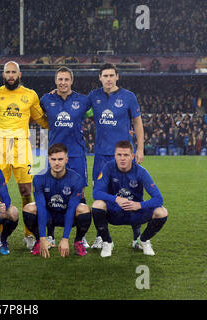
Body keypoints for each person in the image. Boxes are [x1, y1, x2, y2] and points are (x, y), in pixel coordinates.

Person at [0, 61, 48, 250]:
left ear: (19, 74)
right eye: (7, 72)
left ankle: (29, 234)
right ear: (3, 74)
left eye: (14, 72)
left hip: (22, 146)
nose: (11, 75)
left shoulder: (30, 95)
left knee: (26, 190)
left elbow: (41, 118)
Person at [87, 63, 145, 249]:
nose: (109, 79)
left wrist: (140, 148)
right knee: (101, 196)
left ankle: (137, 237)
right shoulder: (93, 96)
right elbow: (76, 105)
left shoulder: (129, 97)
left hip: (124, 156)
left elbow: (137, 123)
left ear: (117, 77)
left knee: (132, 194)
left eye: (112, 75)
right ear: (100, 78)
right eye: (105, 75)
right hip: (101, 156)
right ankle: (101, 237)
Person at [40, 67, 92, 247]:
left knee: (80, 194)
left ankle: (80, 236)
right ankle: (50, 235)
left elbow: (97, 112)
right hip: (54, 154)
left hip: (76, 153)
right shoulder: (46, 99)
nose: (63, 83)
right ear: (55, 81)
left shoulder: (83, 101)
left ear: (72, 81)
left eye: (66, 79)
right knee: (51, 192)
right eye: (60, 79)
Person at [92, 140, 168, 257]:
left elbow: (158, 199)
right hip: (114, 212)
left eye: (126, 155)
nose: (122, 158)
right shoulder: (108, 167)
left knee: (162, 212)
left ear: (132, 156)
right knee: (97, 205)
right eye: (119, 155)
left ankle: (142, 240)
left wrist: (139, 205)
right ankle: (107, 242)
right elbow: (96, 193)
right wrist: (116, 199)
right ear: (115, 156)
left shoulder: (141, 172)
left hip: (135, 213)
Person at [22, 143, 91, 258]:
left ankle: (78, 241)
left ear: (66, 160)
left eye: (60, 159)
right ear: (48, 159)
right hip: (49, 215)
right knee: (29, 208)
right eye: (53, 159)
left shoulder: (76, 179)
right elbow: (41, 207)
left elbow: (71, 209)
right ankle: (39, 241)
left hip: (67, 215)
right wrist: (43, 237)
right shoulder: (39, 177)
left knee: (84, 209)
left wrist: (65, 238)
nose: (57, 163)